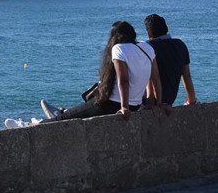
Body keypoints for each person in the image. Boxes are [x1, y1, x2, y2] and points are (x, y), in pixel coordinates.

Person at [33, 21, 163, 122]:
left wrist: (124, 107)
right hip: (136, 104)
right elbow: (155, 77)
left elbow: (124, 80)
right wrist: (158, 103)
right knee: (81, 109)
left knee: (63, 119)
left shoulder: (118, 48)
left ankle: (45, 121)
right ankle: (61, 112)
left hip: (113, 104)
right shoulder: (146, 47)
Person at [144, 14, 197, 106]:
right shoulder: (180, 45)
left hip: (149, 101)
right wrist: (192, 100)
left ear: (148, 34)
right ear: (167, 29)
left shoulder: (147, 47)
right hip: (169, 100)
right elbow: (187, 76)